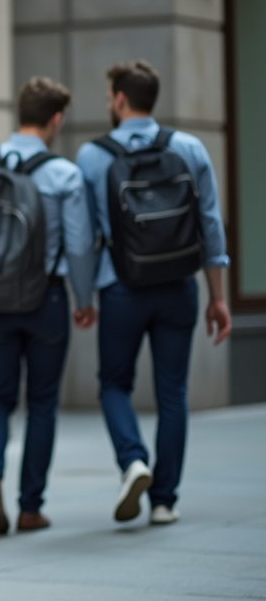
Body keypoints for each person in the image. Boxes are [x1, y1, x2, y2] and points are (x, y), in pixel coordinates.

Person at [76, 60, 231, 526]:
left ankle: (133, 460)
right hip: (179, 286)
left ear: (120, 99)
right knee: (172, 392)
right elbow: (210, 227)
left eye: (108, 97)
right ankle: (164, 500)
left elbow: (83, 240)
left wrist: (84, 297)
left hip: (120, 286)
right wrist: (218, 297)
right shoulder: (188, 147)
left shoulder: (92, 155)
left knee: (113, 384)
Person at [0, 77, 97, 534]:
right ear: (56, 119)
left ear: (19, 112)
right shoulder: (64, 174)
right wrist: (83, 299)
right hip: (46, 300)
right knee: (41, 402)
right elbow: (79, 246)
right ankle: (30, 507)